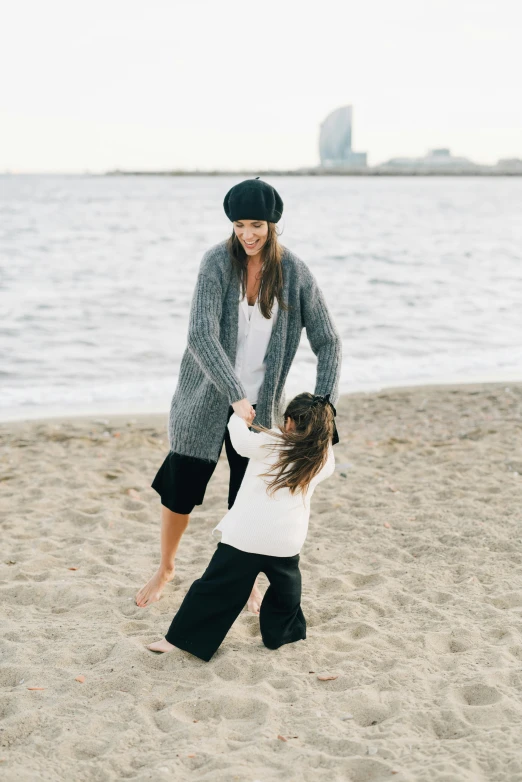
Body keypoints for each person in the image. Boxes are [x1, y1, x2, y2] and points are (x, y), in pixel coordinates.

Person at [135, 177, 342, 613]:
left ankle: (245, 580)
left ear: (273, 226)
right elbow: (200, 333)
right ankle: (166, 566)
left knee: (244, 499)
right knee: (180, 489)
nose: (248, 234)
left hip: (261, 407)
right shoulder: (216, 263)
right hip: (205, 398)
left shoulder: (296, 274)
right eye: (240, 225)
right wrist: (233, 394)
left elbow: (329, 342)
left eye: (257, 226)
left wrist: (325, 407)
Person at [147, 392, 337, 661]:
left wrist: (239, 418)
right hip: (286, 543)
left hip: (246, 538)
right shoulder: (323, 460)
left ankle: (179, 640)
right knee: (287, 593)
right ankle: (282, 635)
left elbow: (240, 444)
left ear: (290, 422)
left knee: (214, 588)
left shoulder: (271, 441)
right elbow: (326, 443)